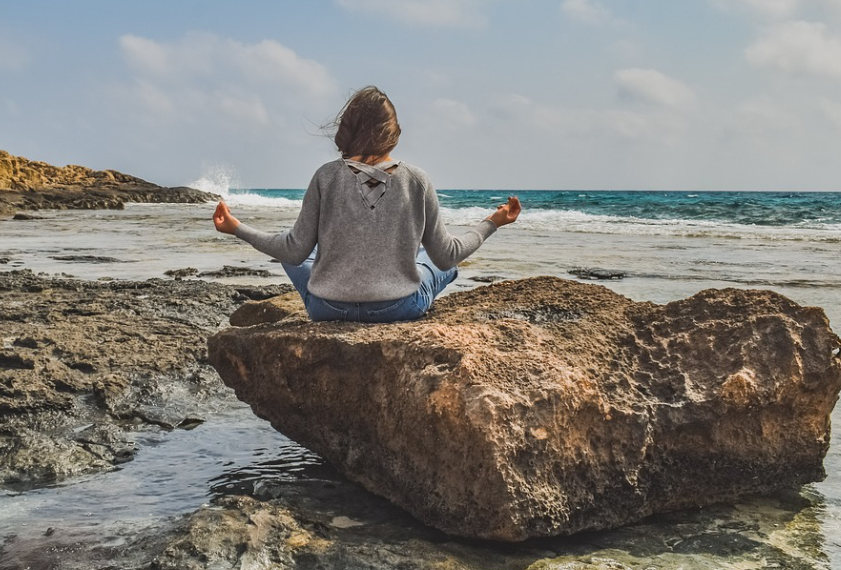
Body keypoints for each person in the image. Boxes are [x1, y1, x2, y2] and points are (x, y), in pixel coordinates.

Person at [213, 86, 520, 323]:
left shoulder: (325, 176)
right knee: (437, 262)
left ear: (348, 129)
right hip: (399, 308)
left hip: (327, 308)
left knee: (293, 246)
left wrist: (237, 228)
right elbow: (448, 254)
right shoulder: (417, 180)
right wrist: (493, 222)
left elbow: (293, 251)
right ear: (392, 132)